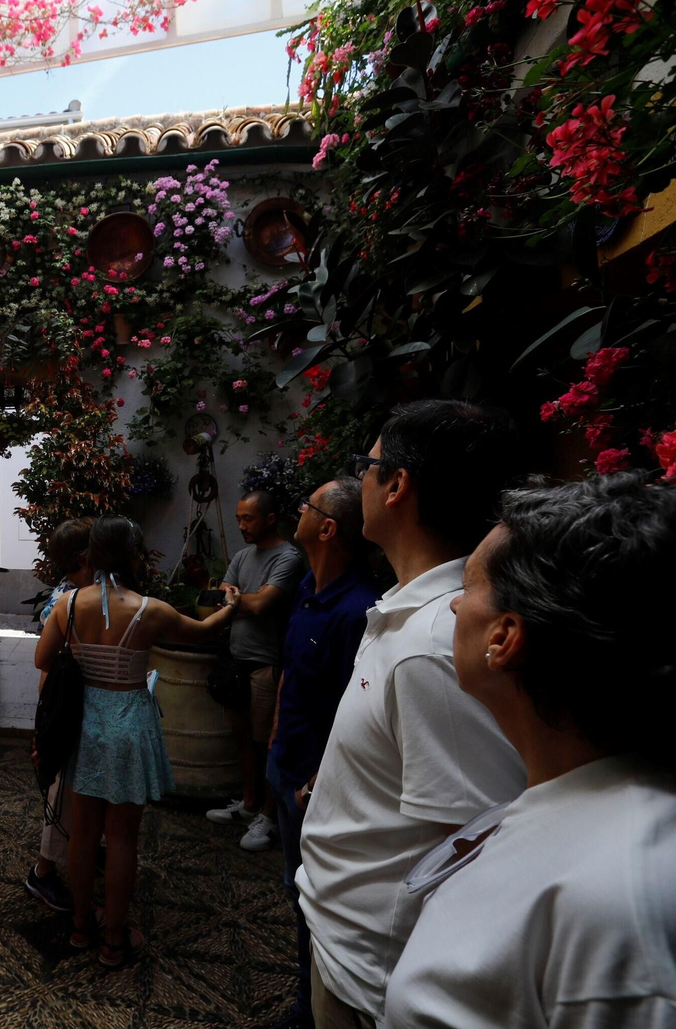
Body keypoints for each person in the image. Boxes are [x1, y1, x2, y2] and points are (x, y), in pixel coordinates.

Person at [386, 473, 676, 1027]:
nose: (453, 608)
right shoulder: (583, 798)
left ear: (504, 637)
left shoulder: (634, 909)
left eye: (468, 588)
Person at [296, 399, 529, 1029]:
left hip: (371, 970)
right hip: (345, 940)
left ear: (397, 486)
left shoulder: (435, 643)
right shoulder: (410, 611)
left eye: (366, 465)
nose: (360, 479)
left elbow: (478, 843)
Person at [34, 516, 235, 966]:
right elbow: (205, 631)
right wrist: (231, 607)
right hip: (128, 725)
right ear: (134, 556)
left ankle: (81, 928)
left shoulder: (67, 604)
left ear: (92, 554)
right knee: (122, 837)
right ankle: (113, 941)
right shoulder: (151, 610)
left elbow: (42, 658)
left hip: (85, 725)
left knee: (83, 833)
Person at [261, 477, 383, 1029]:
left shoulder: (357, 611)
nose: (299, 510)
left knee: (317, 904)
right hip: (287, 765)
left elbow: (355, 712)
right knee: (297, 894)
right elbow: (294, 673)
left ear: (328, 528)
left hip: (316, 787)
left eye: (307, 505)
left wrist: (313, 783)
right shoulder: (310, 587)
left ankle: (312, 1013)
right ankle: (306, 1004)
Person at [209, 488, 306, 852]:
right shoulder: (242, 555)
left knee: (266, 742)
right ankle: (249, 804)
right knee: (241, 738)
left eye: (247, 518)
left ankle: (269, 814)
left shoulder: (288, 558)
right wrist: (235, 601)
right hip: (236, 659)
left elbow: (263, 603)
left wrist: (236, 601)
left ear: (270, 519)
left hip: (267, 662)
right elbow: (221, 597)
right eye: (238, 519)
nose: (241, 526)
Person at [27, 518, 94, 913]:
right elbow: (46, 663)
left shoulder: (76, 593)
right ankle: (43, 871)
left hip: (66, 705)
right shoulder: (68, 600)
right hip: (63, 708)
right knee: (62, 791)